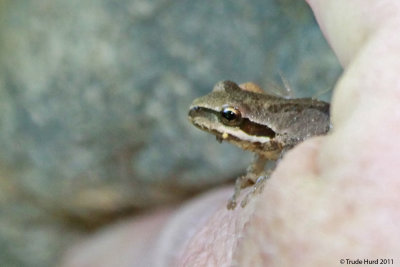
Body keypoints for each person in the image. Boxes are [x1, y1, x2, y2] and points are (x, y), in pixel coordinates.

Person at [62, 1, 400, 266]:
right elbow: (266, 147)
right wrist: (256, 172)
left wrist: (270, 180)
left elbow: (294, 143)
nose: (219, 121)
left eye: (229, 117)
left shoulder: (277, 139)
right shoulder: (265, 139)